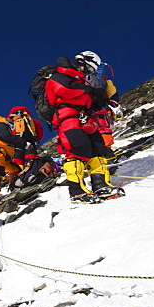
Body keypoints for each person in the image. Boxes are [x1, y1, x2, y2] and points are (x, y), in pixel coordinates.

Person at [45, 52, 125, 204]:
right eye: (88, 69)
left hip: (84, 117)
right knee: (77, 149)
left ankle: (101, 185)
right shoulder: (59, 75)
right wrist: (90, 92)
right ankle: (77, 191)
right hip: (67, 116)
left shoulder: (80, 80)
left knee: (97, 148)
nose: (87, 72)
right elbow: (65, 89)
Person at [79, 50, 121, 150]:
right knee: (103, 131)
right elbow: (113, 94)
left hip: (87, 110)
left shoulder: (75, 78)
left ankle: (98, 154)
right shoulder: (101, 79)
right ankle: (104, 152)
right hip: (100, 110)